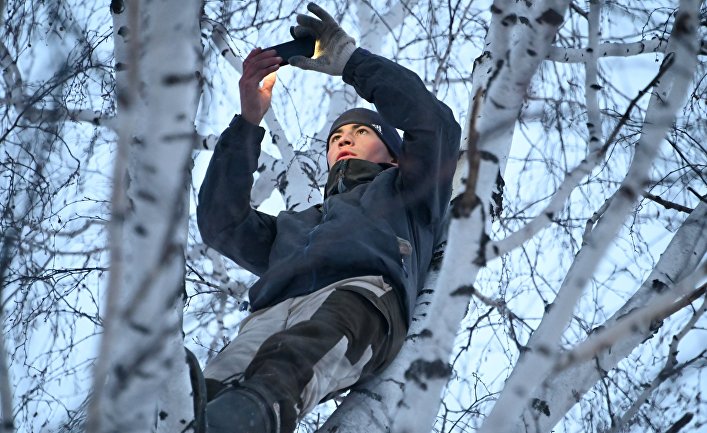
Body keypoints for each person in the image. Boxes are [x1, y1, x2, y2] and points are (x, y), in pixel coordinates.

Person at [196, 3, 461, 432]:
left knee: (283, 377)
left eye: (361, 132)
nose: (343, 141)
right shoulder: (296, 223)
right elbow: (220, 223)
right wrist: (248, 121)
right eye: (336, 137)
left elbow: (434, 124)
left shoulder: (408, 191)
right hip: (270, 312)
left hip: (360, 295)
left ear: (394, 154)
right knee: (208, 393)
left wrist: (351, 62)